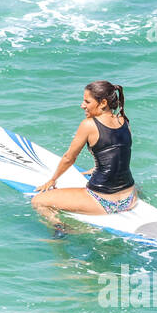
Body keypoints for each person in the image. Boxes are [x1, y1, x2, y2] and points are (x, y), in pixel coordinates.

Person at [32, 81, 137, 230]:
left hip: (103, 201)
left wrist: (52, 180)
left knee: (38, 201)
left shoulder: (89, 124)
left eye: (87, 101)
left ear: (103, 103)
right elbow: (119, 152)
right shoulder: (124, 121)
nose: (82, 105)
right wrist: (98, 167)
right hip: (130, 198)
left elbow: (69, 158)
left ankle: (61, 229)